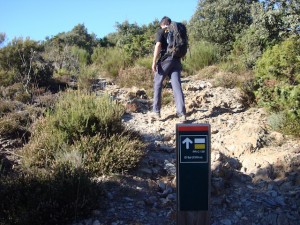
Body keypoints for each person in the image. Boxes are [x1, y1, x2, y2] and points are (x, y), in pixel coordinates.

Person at [151, 16, 186, 122]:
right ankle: (182, 114)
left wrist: (153, 62)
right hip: (177, 60)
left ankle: (156, 111)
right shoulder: (176, 30)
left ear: (162, 24)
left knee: (157, 83)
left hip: (166, 60)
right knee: (176, 86)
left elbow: (158, 46)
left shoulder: (161, 31)